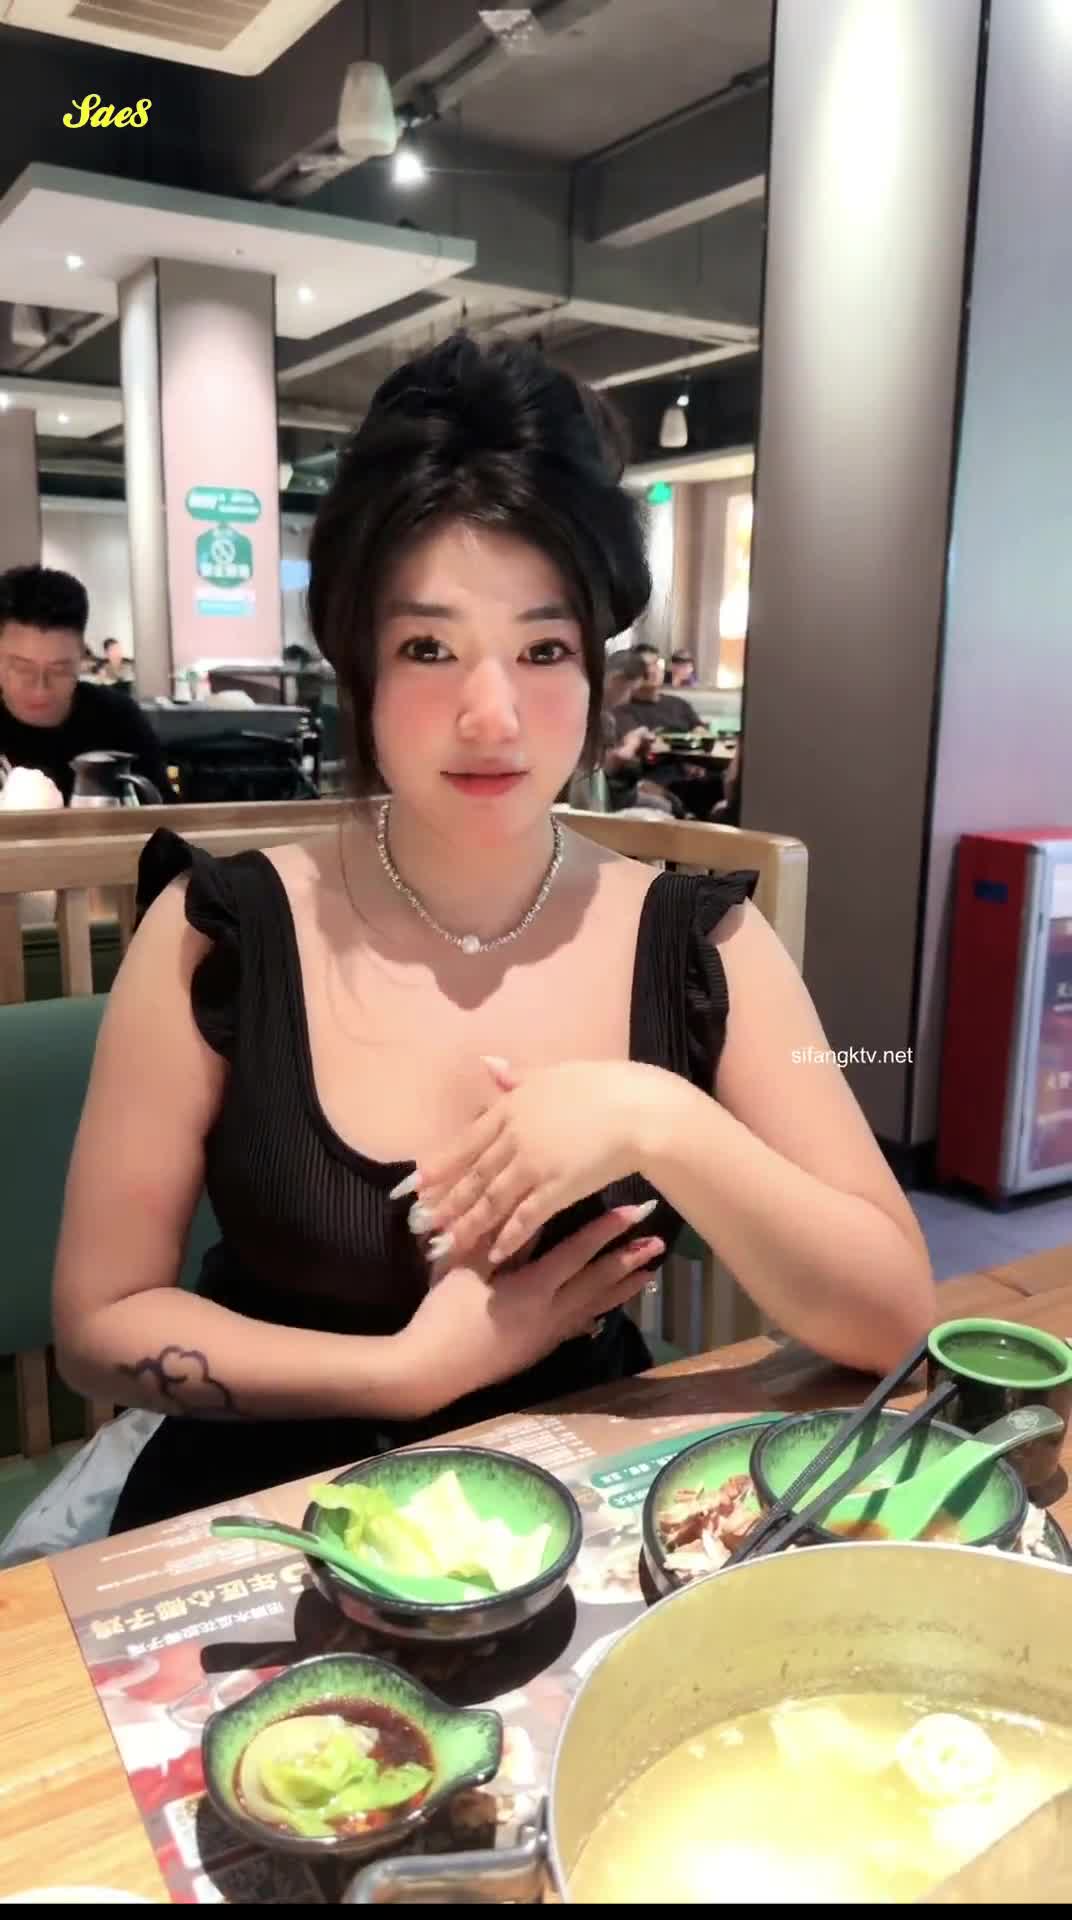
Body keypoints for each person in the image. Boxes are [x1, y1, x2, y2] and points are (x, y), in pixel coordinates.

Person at [53, 334, 934, 1533]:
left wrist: (657, 1117)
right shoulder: (217, 933)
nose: (491, 714)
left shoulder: (700, 946)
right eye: (429, 648)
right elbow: (99, 1327)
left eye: (543, 649)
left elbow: (892, 1319)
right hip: (258, 1517)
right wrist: (408, 1372)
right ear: (358, 663)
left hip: (587, 1517)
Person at [0, 568, 172, 803]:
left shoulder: (117, 720)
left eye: (60, 669)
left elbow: (167, 816)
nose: (40, 689)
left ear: (82, 656)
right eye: (22, 668)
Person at [613, 642, 703, 735]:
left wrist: (699, 732)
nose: (652, 670)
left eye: (656, 663)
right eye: (645, 665)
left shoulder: (680, 705)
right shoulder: (624, 710)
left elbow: (700, 729)